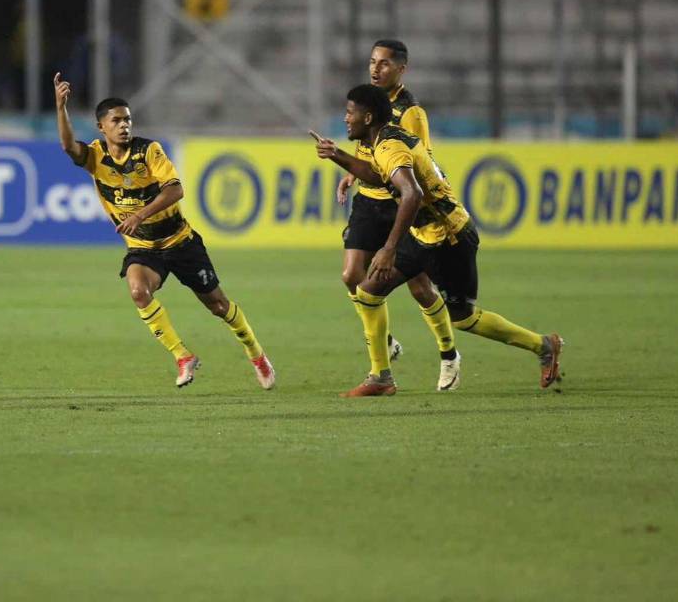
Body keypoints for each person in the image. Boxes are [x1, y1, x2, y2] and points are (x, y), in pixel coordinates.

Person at [313, 84, 564, 397]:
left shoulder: (390, 146)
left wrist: (389, 248)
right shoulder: (384, 139)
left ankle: (543, 345)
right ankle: (380, 377)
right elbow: (379, 176)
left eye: (351, 113)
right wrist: (337, 155)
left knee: (465, 318)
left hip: (450, 237)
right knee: (368, 291)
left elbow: (412, 194)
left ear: (368, 116)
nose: (346, 118)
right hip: (425, 235)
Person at [54, 72, 276, 390]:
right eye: (116, 120)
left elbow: (175, 190)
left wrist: (140, 214)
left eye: (127, 119)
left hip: (180, 241)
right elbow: (67, 146)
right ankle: (183, 356)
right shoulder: (95, 157)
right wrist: (61, 107)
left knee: (218, 306)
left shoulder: (149, 151)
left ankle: (256, 354)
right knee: (137, 292)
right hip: (143, 248)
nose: (124, 125)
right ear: (101, 127)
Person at [336, 39, 435, 366]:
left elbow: (421, 158)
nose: (375, 69)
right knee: (352, 275)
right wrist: (352, 173)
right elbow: (369, 148)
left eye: (384, 64)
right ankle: (384, 341)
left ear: (400, 69)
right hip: (369, 199)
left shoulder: (410, 111)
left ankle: (448, 352)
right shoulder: (371, 100)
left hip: (399, 204)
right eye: (372, 62)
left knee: (420, 287)